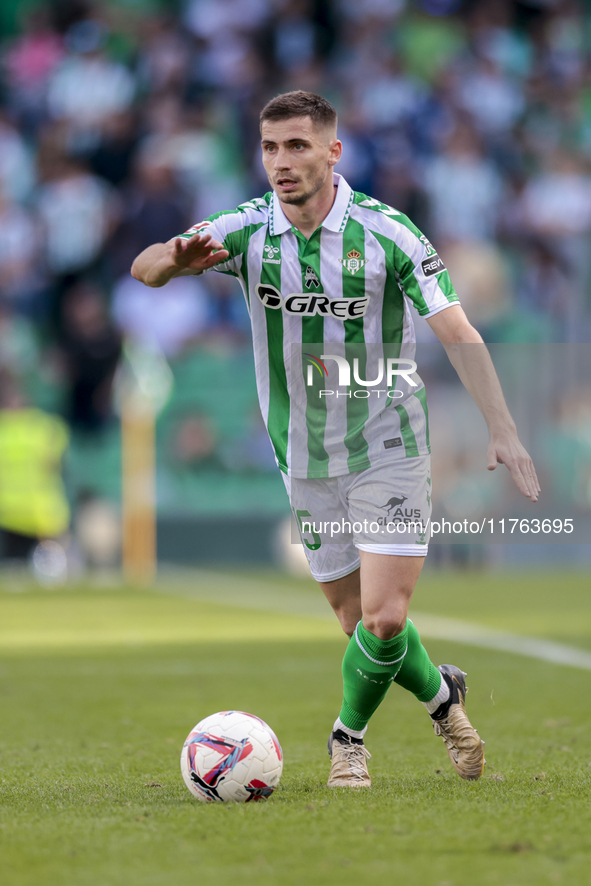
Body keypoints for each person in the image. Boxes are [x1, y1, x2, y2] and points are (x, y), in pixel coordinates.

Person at [131, 91, 540, 788]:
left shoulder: (389, 234)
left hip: (389, 441)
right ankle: (443, 699)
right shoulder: (244, 230)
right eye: (269, 147)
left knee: (383, 618)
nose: (281, 162)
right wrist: (172, 259)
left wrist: (503, 430)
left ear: (332, 151)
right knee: (357, 623)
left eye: (296, 146)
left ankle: (346, 740)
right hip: (303, 451)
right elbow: (144, 268)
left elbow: (458, 332)